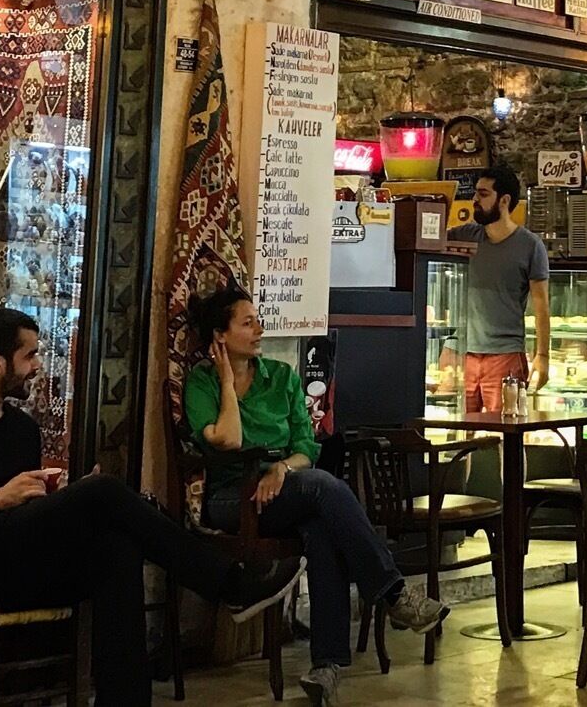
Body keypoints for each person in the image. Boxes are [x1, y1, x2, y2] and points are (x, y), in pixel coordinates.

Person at [0, 307, 301, 705]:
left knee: (114, 548)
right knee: (103, 492)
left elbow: (25, 507)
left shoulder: (22, 429)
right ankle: (228, 584)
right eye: (29, 356)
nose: (37, 367)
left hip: (17, 558)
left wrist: (60, 500)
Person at [183, 285, 451, 705]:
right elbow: (229, 440)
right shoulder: (202, 382)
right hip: (232, 500)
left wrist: (281, 469)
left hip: (286, 490)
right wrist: (225, 381)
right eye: (247, 322)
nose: (259, 329)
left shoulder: (283, 377)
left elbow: (307, 447)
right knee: (326, 490)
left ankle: (325, 668)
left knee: (322, 526)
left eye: (258, 320)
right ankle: (394, 594)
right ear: (220, 336)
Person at [446, 164, 551, 409]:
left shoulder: (530, 246)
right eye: (476, 193)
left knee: (507, 431)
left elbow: (541, 305)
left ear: (504, 201)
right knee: (456, 432)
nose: (474, 199)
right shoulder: (464, 235)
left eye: (483, 194)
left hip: (506, 355)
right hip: (462, 352)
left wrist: (542, 356)